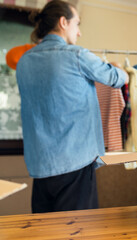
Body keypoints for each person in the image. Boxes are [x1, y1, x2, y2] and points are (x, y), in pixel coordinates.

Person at [16, 0, 128, 213]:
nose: (79, 33)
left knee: (44, 232)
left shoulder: (24, 62)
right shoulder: (76, 55)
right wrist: (119, 68)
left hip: (41, 167)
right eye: (77, 24)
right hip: (74, 165)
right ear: (63, 22)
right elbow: (116, 79)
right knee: (77, 232)